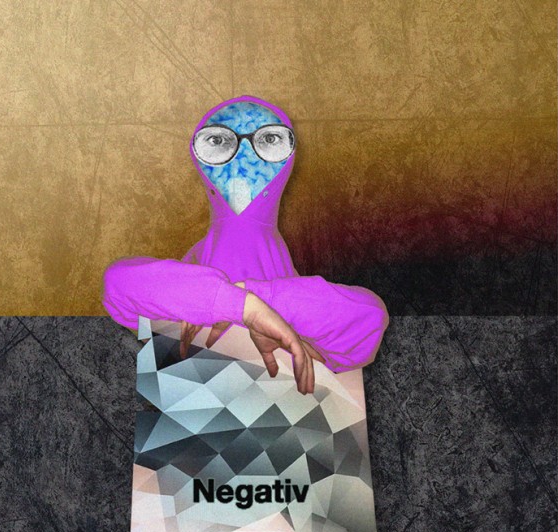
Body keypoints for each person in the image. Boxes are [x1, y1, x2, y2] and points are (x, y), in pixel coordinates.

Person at [102, 95, 389, 395]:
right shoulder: (194, 287)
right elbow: (117, 284)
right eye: (218, 141)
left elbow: (370, 320)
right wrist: (249, 308)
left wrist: (239, 303)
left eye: (268, 140)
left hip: (236, 402)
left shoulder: (185, 295)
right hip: (235, 402)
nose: (244, 160)